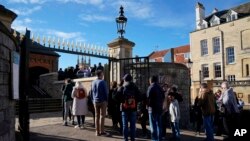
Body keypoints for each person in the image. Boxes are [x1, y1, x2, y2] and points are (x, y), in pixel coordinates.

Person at [115, 74, 142, 141]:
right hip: (133, 108)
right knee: (133, 125)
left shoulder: (122, 87)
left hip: (124, 108)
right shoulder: (135, 87)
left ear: (125, 79)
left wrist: (122, 101)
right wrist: (134, 101)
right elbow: (140, 97)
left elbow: (115, 97)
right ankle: (132, 139)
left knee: (125, 125)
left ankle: (125, 139)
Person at [91, 70, 109, 136]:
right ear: (101, 74)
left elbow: (91, 92)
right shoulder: (103, 82)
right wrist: (107, 101)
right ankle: (102, 131)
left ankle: (97, 132)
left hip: (95, 101)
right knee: (102, 116)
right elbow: (106, 93)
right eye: (102, 74)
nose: (103, 75)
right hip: (102, 101)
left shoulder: (93, 82)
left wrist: (93, 100)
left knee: (96, 116)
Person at [147, 75, 165, 141]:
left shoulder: (151, 87)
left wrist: (148, 106)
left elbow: (148, 98)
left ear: (151, 80)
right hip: (159, 108)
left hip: (152, 108)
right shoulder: (160, 88)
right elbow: (163, 97)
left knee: (153, 125)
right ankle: (159, 138)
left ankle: (155, 139)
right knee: (159, 125)